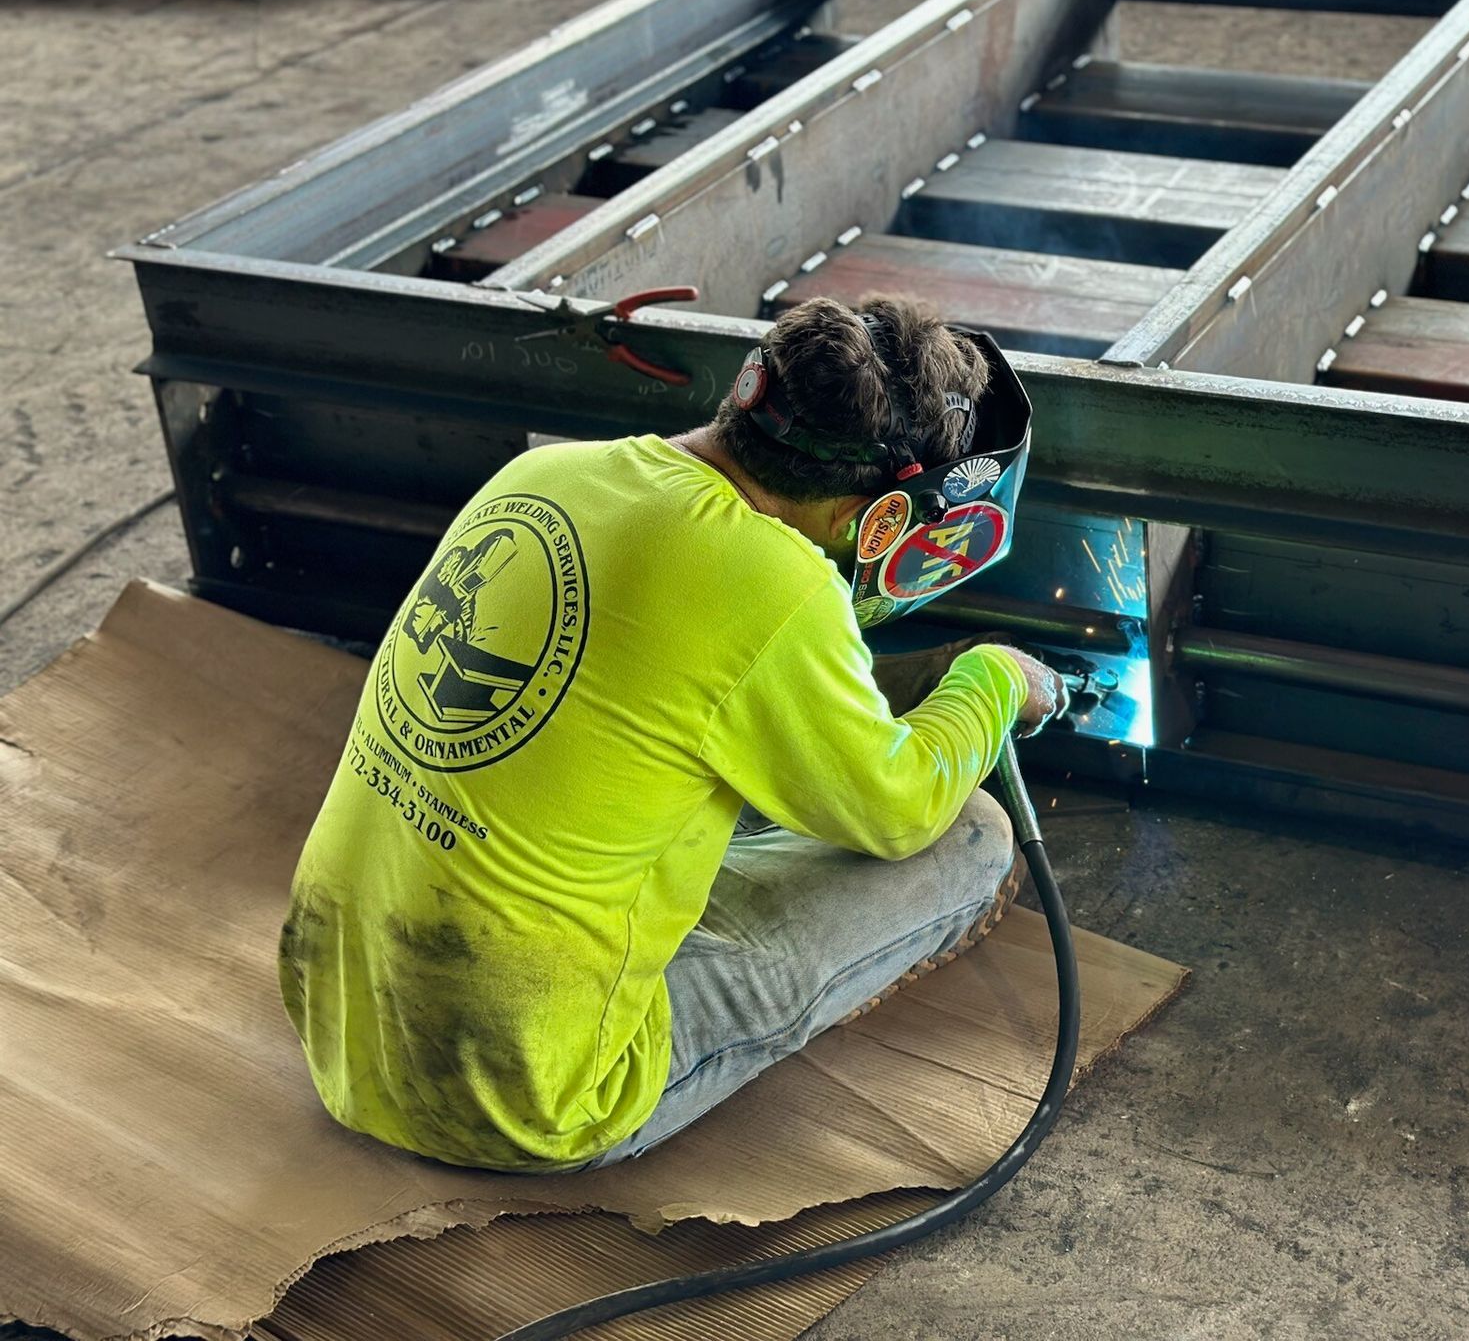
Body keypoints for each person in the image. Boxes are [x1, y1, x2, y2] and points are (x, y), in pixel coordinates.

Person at [277, 295, 1065, 1173]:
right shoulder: (780, 585)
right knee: (967, 837)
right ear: (864, 517)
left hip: (333, 1015)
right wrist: (994, 679)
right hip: (516, 1090)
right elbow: (900, 810)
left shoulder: (546, 473)